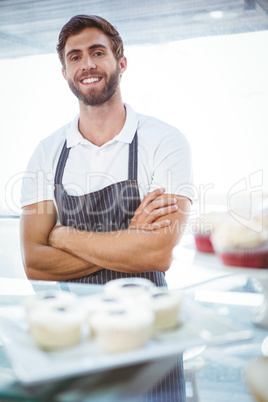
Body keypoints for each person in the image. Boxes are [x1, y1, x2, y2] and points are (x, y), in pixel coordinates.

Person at [20, 15, 193, 401]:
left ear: (121, 62)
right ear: (65, 71)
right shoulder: (47, 153)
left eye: (98, 52)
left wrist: (62, 236)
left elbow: (157, 253)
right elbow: (34, 262)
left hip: (149, 340)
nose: (87, 64)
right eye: (75, 57)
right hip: (73, 337)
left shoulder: (163, 141)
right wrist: (129, 242)